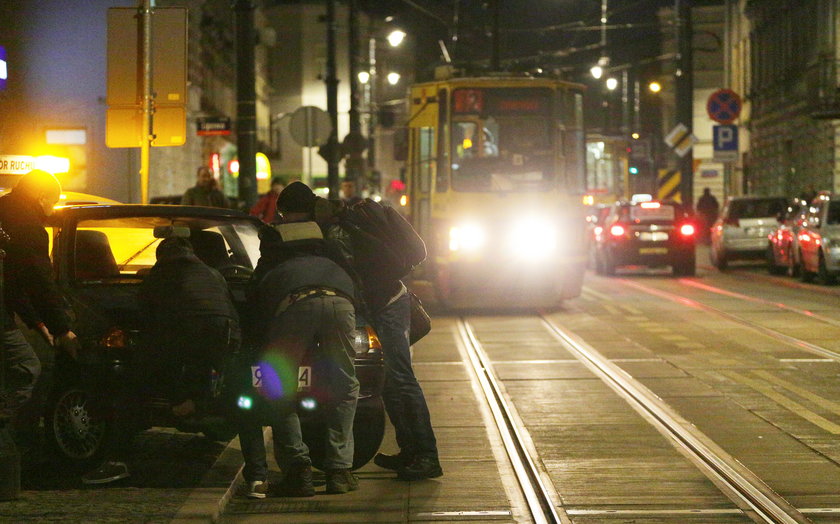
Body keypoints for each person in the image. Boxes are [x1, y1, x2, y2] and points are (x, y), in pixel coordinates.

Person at [300, 184, 442, 481]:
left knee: (401, 378)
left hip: (386, 304)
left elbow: (356, 279)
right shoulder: (337, 220)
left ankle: (427, 455)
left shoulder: (334, 233)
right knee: (389, 379)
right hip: (386, 300)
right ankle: (410, 452)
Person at [81, 236, 241, 484]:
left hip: (180, 332)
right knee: (202, 370)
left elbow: (148, 321)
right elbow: (228, 308)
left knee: (136, 380)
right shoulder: (212, 273)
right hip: (222, 333)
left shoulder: (159, 277)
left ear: (161, 257)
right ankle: (198, 405)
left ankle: (117, 459)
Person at [238, 181, 359, 497]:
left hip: (295, 303)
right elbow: (352, 273)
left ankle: (298, 470)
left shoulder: (274, 237)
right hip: (340, 301)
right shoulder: (329, 236)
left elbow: (260, 286)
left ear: (281, 210)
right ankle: (339, 471)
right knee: (345, 385)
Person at [0, 170, 78, 447]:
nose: (50, 211)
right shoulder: (29, 226)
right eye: (52, 203)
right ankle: (8, 436)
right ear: (43, 196)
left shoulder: (4, 211)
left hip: (6, 307)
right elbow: (39, 282)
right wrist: (62, 329)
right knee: (27, 368)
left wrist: (36, 322)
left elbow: (12, 282)